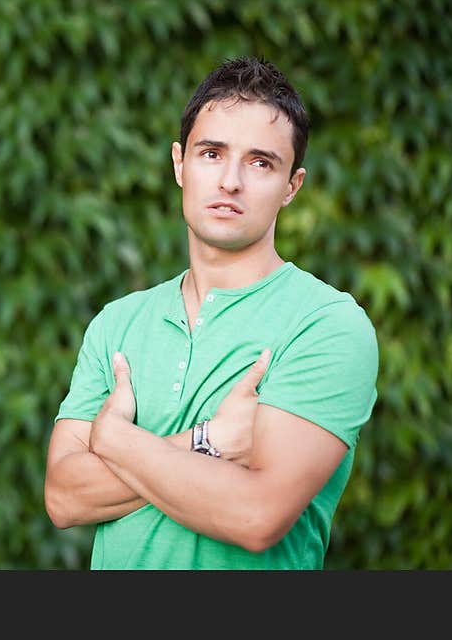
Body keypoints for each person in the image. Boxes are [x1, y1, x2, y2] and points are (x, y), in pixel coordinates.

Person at [44, 56, 379, 569]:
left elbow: (256, 515)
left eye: (261, 162)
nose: (230, 181)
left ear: (292, 185)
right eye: (211, 153)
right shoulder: (118, 322)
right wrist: (211, 442)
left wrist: (113, 441)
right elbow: (65, 498)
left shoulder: (327, 325)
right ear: (179, 164)